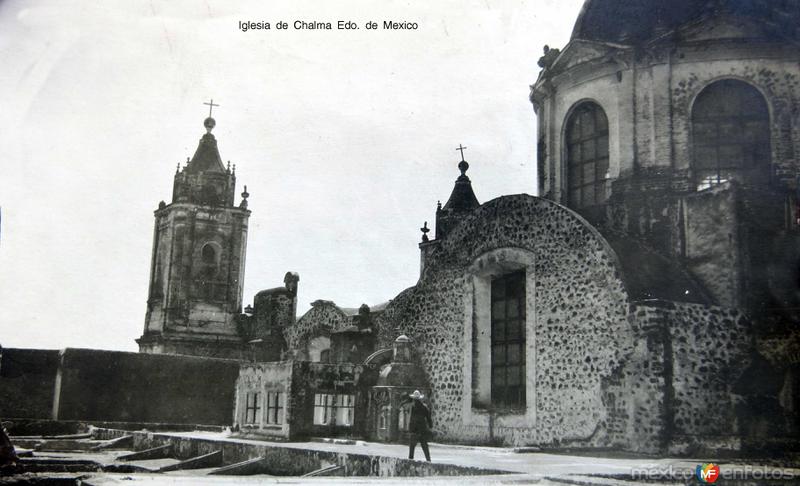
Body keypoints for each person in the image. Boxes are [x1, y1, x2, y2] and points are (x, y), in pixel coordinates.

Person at [406, 390, 433, 462]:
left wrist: (410, 429)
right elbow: (428, 418)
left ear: (414, 399)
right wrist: (430, 426)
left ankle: (410, 461)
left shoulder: (412, 407)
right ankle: (428, 460)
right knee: (424, 446)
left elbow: (411, 418)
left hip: (414, 429)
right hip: (422, 429)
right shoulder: (424, 407)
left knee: (412, 447)